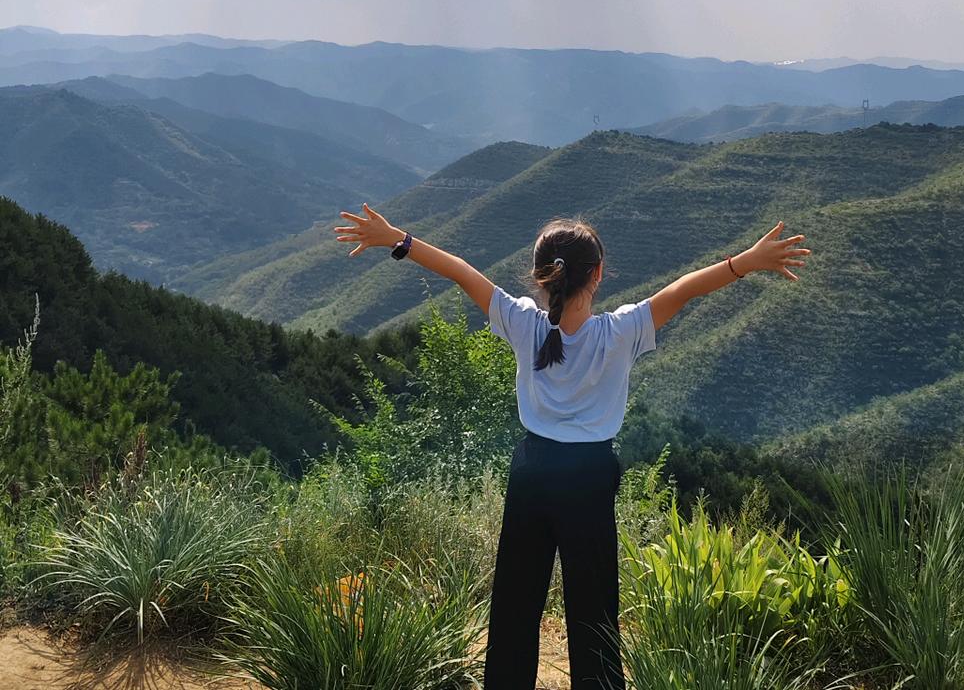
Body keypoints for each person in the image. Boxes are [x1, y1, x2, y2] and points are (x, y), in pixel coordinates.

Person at [335, 206, 811, 689]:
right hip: (589, 476)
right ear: (599, 274)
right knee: (594, 609)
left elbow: (462, 272)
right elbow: (685, 288)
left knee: (516, 602)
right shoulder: (622, 331)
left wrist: (399, 239)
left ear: (542, 276)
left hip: (533, 471)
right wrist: (748, 260)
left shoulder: (523, 323)